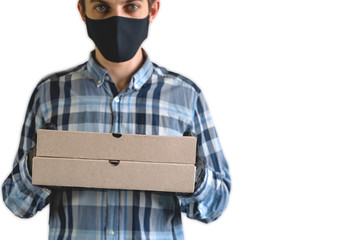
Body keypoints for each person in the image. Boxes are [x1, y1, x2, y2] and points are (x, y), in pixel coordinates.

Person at [2, 0, 231, 239]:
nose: (117, 19)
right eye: (102, 7)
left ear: (152, 10)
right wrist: (38, 166)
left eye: (131, 6)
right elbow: (17, 204)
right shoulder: (50, 94)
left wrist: (195, 178)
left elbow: (217, 206)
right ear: (83, 11)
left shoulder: (186, 97)